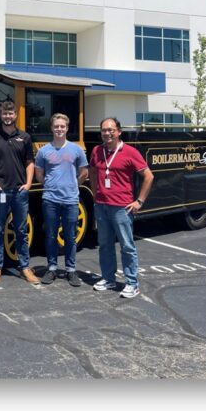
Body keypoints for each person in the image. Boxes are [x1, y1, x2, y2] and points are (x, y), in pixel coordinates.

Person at [88, 117, 154, 298]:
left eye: (111, 130)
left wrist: (139, 201)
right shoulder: (97, 151)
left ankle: (132, 283)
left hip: (122, 208)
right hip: (101, 206)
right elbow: (93, 171)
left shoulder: (130, 152)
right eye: (104, 130)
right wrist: (96, 194)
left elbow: (148, 176)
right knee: (105, 245)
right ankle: (108, 278)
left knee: (127, 246)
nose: (107, 133)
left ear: (118, 132)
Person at [0, 100, 39, 285]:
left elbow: (29, 162)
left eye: (11, 114)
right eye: (5, 114)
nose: (8, 117)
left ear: (16, 115)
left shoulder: (25, 137)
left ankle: (24, 267)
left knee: (21, 230)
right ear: (1, 115)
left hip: (19, 190)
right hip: (0, 190)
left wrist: (29, 183)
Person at [35, 113, 88, 287]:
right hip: (50, 199)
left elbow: (84, 172)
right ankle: (51, 268)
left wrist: (73, 185)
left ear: (67, 128)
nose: (59, 129)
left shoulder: (76, 149)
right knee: (50, 235)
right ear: (51, 128)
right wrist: (51, 185)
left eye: (62, 126)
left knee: (70, 236)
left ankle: (71, 270)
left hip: (71, 200)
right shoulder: (44, 151)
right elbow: (39, 174)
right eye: (56, 126)